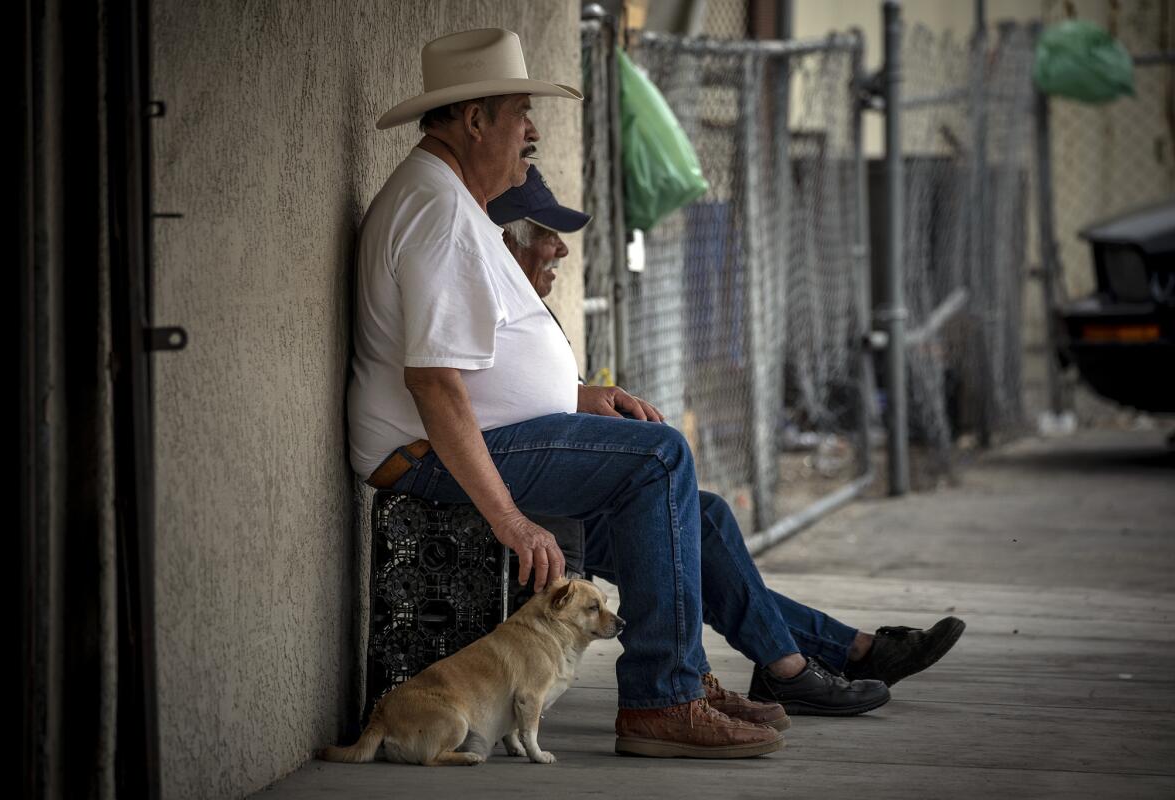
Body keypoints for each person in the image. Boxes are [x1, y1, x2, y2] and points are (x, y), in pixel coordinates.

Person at [348, 28, 963, 760]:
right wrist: (511, 520)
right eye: (520, 113)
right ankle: (662, 700)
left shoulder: (453, 204)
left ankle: (803, 662)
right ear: (474, 120)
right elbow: (434, 383)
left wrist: (580, 397)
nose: (533, 131)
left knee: (695, 519)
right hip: (426, 455)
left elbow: (470, 369)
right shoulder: (440, 213)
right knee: (660, 458)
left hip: (473, 444)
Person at [488, 164, 966, 704]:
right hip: (522, 491)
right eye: (547, 236)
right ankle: (800, 662)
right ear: (507, 239)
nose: (561, 251)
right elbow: (479, 403)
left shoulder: (527, 307)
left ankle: (814, 657)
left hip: (553, 484)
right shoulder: (487, 295)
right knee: (672, 483)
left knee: (705, 519)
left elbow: (524, 395)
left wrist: (584, 398)